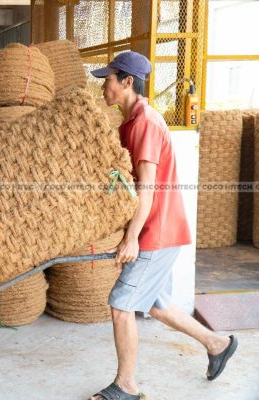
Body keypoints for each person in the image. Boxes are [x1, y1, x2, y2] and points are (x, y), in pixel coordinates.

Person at [88, 51, 238, 400]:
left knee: (121, 304)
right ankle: (218, 344)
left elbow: (147, 187)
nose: (102, 87)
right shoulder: (129, 122)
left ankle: (125, 385)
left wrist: (132, 238)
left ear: (126, 81)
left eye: (107, 79)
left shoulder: (145, 124)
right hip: (160, 230)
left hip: (156, 233)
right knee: (157, 305)